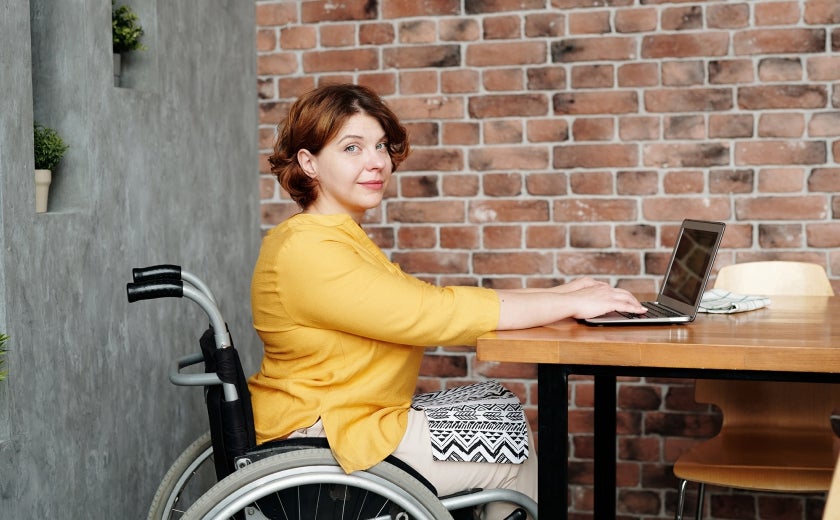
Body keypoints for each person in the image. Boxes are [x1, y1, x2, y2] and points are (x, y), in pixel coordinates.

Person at [247, 83, 646, 519]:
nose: (376, 162)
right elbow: (432, 313)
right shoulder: (308, 250)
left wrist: (560, 295)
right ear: (309, 163)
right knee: (512, 459)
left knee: (501, 409)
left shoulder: (332, 238)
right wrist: (567, 304)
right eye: (352, 148)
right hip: (333, 433)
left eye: (380, 146)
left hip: (356, 416)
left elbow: (423, 302)